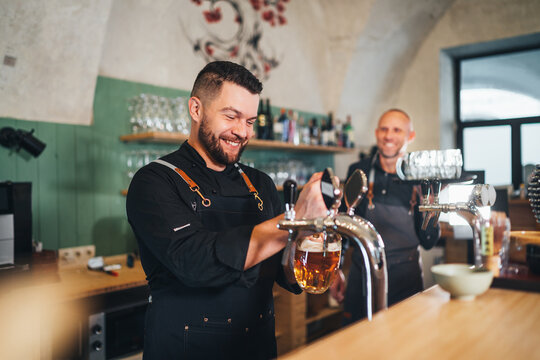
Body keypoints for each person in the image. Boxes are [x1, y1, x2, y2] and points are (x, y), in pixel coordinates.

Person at [126, 61, 328, 359]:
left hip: (257, 348)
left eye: (249, 121)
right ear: (196, 109)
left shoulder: (260, 183)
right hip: (185, 350)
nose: (241, 132)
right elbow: (195, 262)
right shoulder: (155, 180)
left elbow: (285, 275)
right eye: (231, 116)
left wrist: (308, 239)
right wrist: (293, 221)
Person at [330, 109, 440, 324]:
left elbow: (429, 241)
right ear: (376, 133)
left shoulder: (423, 177)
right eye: (384, 129)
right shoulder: (359, 170)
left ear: (410, 136)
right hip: (362, 277)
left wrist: (430, 202)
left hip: (405, 279)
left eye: (397, 130)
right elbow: (344, 224)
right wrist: (335, 269)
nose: (388, 136)